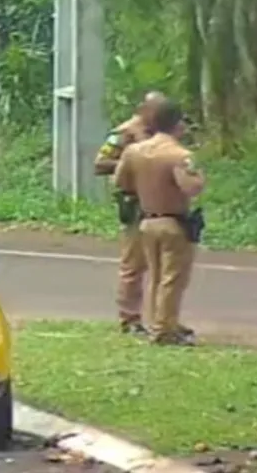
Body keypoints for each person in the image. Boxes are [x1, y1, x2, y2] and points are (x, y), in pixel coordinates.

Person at [114, 100, 205, 346]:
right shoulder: (180, 155)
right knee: (173, 278)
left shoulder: (135, 152)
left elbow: (121, 182)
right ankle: (164, 328)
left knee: (155, 276)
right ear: (178, 125)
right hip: (173, 222)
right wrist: (198, 175)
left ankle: (159, 321)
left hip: (146, 220)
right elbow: (191, 188)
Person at [94, 91, 166, 335]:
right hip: (135, 205)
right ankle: (130, 318)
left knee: (162, 266)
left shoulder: (160, 133)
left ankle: (163, 319)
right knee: (133, 266)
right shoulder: (126, 132)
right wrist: (132, 163)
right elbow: (100, 163)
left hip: (159, 205)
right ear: (144, 109)